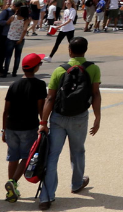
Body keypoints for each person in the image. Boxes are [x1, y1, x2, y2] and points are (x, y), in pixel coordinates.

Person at [38, 36, 101, 209]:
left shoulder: (60, 70)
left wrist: (43, 121)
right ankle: (76, 183)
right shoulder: (93, 69)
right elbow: (95, 94)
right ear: (85, 50)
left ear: (69, 50)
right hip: (80, 117)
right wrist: (97, 117)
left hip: (58, 117)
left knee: (52, 156)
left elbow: (50, 97)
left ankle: (46, 196)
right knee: (78, 151)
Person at [2, 52, 47, 203]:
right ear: (36, 68)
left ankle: (11, 190)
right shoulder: (40, 85)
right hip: (28, 127)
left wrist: (3, 129)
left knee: (13, 157)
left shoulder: (14, 85)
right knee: (27, 157)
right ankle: (13, 182)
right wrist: (44, 124)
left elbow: (6, 109)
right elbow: (41, 108)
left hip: (11, 126)